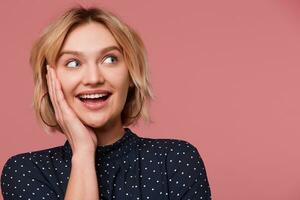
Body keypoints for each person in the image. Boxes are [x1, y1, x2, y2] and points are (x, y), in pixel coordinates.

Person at [0, 6, 211, 200]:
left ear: (130, 74)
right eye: (73, 63)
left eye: (110, 59)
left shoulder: (175, 161)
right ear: (50, 81)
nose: (93, 78)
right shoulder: (25, 172)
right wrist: (82, 152)